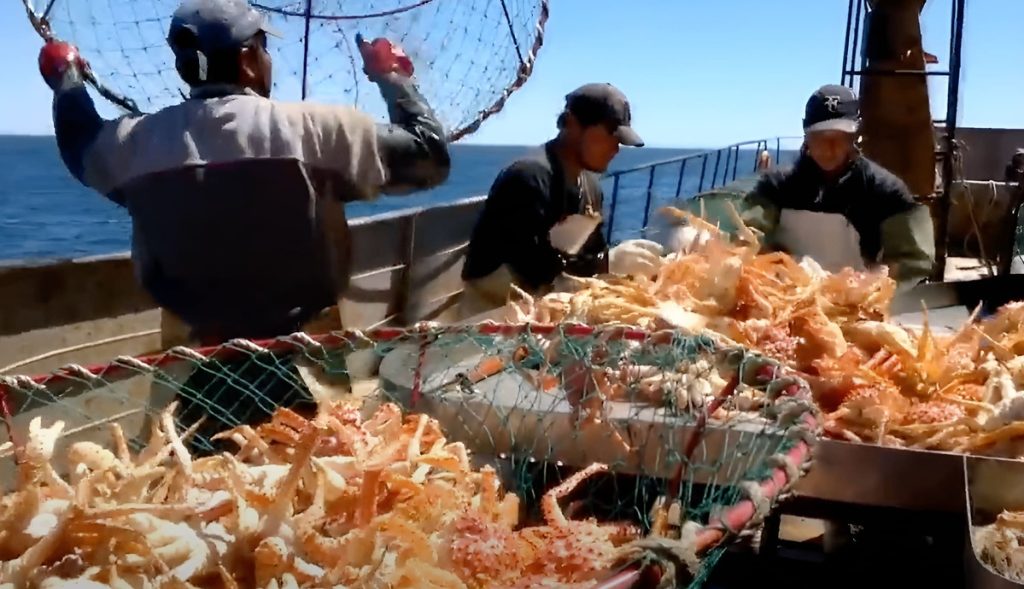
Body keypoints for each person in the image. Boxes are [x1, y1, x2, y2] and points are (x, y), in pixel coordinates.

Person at [37, 0, 450, 448]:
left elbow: (79, 142)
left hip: (189, 366)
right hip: (301, 364)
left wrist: (68, 78)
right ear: (250, 58)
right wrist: (392, 74)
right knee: (318, 483)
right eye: (265, 50)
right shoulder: (318, 131)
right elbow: (428, 155)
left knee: (189, 485)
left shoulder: (134, 144)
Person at [460, 83, 654, 318]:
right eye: (610, 136)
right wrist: (606, 265)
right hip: (495, 316)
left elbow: (592, 253)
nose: (616, 149)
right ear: (572, 124)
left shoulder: (591, 189)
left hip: (553, 310)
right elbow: (533, 269)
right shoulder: (528, 178)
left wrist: (612, 266)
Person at [735, 84, 936, 285]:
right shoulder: (775, 186)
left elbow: (913, 260)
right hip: (787, 294)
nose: (829, 149)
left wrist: (872, 284)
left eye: (839, 138)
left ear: (855, 135)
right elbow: (748, 238)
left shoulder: (885, 190)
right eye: (820, 138)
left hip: (857, 305)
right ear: (806, 134)